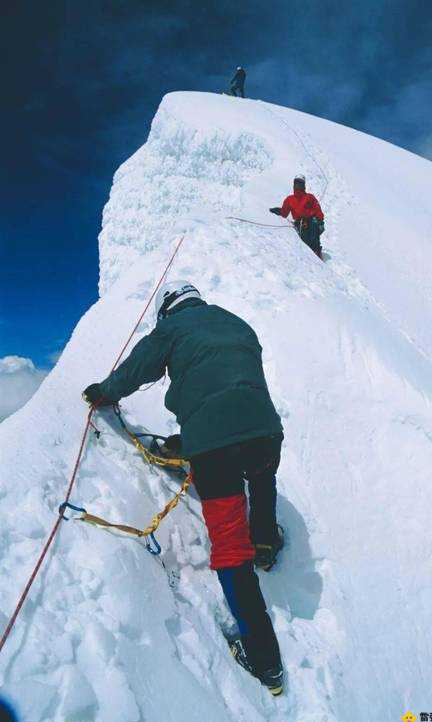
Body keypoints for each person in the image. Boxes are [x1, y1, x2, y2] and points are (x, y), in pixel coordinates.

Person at [83, 281, 285, 694]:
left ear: (167, 310)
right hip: (265, 430)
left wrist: (104, 393)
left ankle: (265, 662)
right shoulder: (238, 323)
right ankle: (265, 541)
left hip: (214, 445)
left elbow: (137, 369)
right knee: (262, 478)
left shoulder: (171, 330)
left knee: (229, 542)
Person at [270, 174, 325, 257]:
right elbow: (284, 213)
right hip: (300, 222)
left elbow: (317, 210)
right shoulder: (290, 199)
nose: (298, 186)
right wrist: (278, 211)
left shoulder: (309, 197)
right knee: (304, 234)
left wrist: (320, 221)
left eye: (300, 184)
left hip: (312, 220)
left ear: (304, 185)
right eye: (296, 183)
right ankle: (308, 254)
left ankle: (316, 251)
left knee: (313, 227)